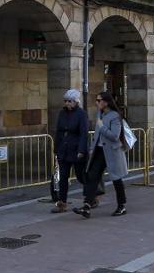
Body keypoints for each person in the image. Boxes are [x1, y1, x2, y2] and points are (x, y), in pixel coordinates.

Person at [74, 90, 128, 218]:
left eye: (99, 100)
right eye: (96, 100)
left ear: (106, 102)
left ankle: (121, 206)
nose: (97, 103)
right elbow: (97, 134)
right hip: (99, 151)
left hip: (112, 151)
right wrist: (92, 148)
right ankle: (87, 205)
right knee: (92, 176)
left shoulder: (115, 116)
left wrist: (102, 127)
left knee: (116, 179)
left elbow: (115, 136)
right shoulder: (100, 114)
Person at [52, 89, 89, 213]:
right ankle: (62, 203)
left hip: (76, 150)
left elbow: (84, 134)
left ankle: (92, 195)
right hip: (63, 150)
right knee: (63, 178)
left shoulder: (81, 114)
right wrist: (56, 149)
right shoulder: (62, 114)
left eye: (70, 101)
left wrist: (81, 150)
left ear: (76, 102)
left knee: (81, 176)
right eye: (66, 101)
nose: (67, 103)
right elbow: (58, 131)